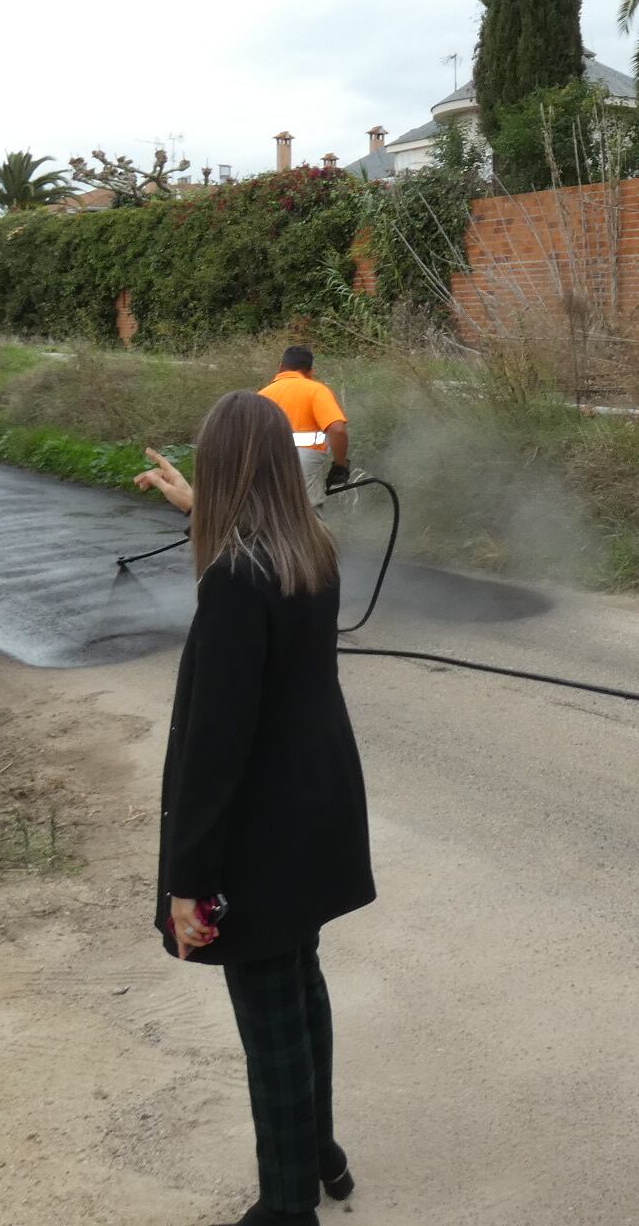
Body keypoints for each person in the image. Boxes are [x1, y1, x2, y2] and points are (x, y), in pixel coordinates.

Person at [136, 394, 374, 1226]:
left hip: (263, 833)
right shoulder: (310, 548)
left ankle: (286, 1205)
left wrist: (187, 882)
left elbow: (214, 750)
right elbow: (248, 549)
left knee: (269, 1012)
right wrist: (196, 509)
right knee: (299, 984)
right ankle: (318, 1153)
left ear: (222, 469)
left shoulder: (237, 579)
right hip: (317, 815)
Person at [257, 346, 350, 505]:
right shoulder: (315, 390)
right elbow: (337, 430)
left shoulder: (261, 395)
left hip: (265, 463)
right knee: (307, 516)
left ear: (280, 368)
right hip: (303, 464)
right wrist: (340, 466)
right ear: (310, 372)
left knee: (271, 514)